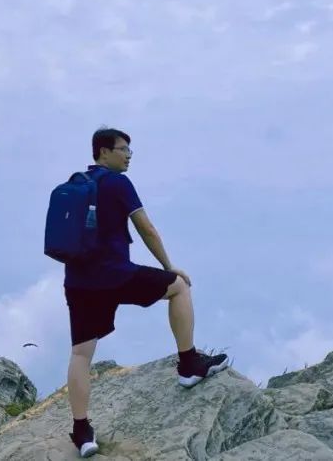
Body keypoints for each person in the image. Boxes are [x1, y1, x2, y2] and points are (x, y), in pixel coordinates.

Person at [64, 127, 229, 458]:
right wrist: (169, 266)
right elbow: (147, 229)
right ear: (103, 152)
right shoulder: (118, 183)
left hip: (79, 282)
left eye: (130, 150)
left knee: (81, 354)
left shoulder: (76, 183)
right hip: (115, 275)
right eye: (123, 149)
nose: (128, 156)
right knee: (179, 287)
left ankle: (82, 433)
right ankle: (189, 365)